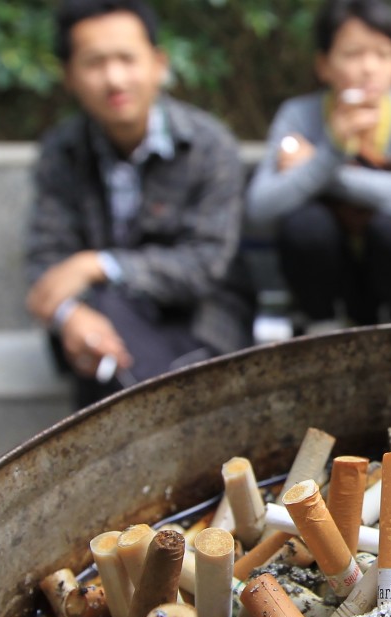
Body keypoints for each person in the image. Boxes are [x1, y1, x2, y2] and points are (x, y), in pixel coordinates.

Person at [26, 0, 255, 408]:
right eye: (95, 63)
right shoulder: (62, 152)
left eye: (126, 59)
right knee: (103, 331)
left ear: (158, 63)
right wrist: (69, 315)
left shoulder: (207, 145)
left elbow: (203, 264)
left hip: (200, 320)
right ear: (69, 76)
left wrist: (97, 264)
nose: (114, 79)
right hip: (105, 322)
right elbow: (47, 264)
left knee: (124, 376)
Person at [245, 0, 391, 333]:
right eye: (353, 54)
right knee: (305, 225)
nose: (370, 68)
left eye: (383, 54)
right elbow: (260, 206)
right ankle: (322, 328)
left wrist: (321, 166)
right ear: (324, 65)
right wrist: (334, 148)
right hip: (328, 282)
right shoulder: (298, 115)